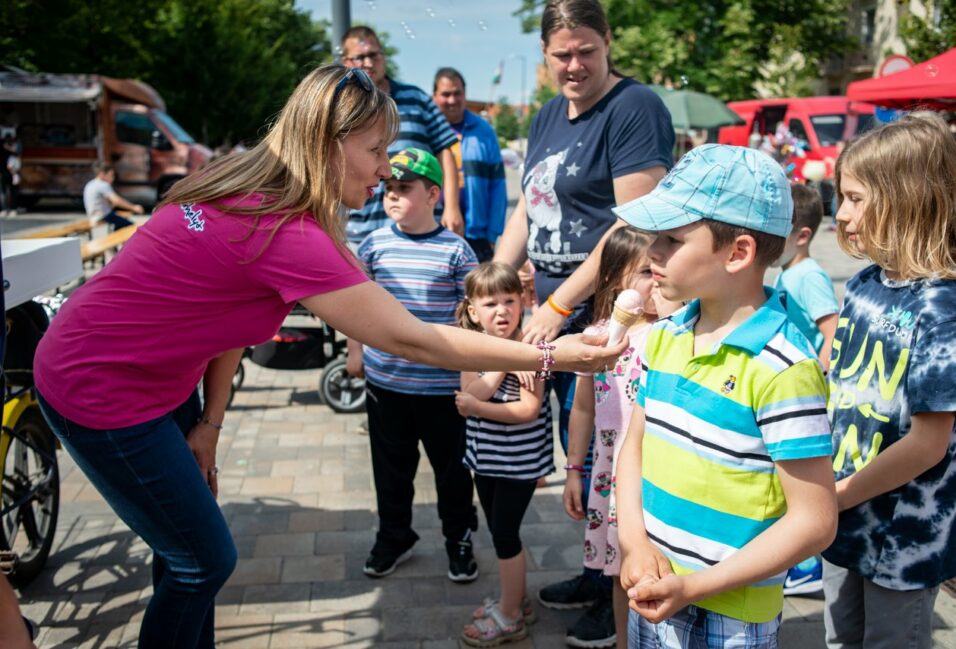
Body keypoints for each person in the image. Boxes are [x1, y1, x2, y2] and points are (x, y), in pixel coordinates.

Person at [32, 65, 627, 649]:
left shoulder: (248, 186)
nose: (387, 168)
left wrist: (210, 424)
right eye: (376, 149)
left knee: (184, 555)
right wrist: (556, 356)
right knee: (204, 560)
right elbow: (412, 338)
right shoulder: (282, 230)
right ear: (326, 142)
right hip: (97, 387)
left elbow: (229, 317)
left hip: (150, 380)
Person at [492, 1, 674, 645]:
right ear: (545, 55)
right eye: (561, 54)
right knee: (589, 453)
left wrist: (558, 304)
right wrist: (491, 275)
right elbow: (527, 209)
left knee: (621, 444)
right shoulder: (546, 115)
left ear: (607, 43)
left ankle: (627, 585)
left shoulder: (634, 107)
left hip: (609, 309)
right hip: (554, 309)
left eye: (585, 51)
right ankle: (599, 573)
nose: (574, 65)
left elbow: (636, 222)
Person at [613, 144, 838, 648]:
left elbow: (815, 520)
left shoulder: (784, 368)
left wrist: (695, 585)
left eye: (671, 240)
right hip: (656, 586)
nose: (652, 253)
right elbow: (635, 447)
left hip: (731, 614)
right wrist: (634, 542)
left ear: (738, 252)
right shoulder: (665, 335)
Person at [822, 112, 956, 649]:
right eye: (842, 196)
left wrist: (838, 496)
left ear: (908, 198)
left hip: (906, 536)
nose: (842, 213)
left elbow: (927, 444)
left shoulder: (941, 307)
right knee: (840, 638)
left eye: (856, 198)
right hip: (843, 516)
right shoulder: (863, 284)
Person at [346, 147, 480, 582]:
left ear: (433, 195)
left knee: (453, 473)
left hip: (442, 391)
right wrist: (355, 351)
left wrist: (471, 375)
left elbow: (471, 316)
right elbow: (355, 307)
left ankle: (458, 539)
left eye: (405, 189)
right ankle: (393, 536)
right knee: (390, 471)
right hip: (387, 386)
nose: (393, 196)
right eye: (389, 188)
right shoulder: (373, 245)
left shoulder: (457, 252)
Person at [562, 227, 665, 649]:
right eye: (644, 272)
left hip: (656, 473)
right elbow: (582, 409)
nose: (655, 280)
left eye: (659, 269)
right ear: (614, 282)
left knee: (658, 569)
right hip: (610, 473)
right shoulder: (597, 339)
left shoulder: (672, 333)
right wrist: (572, 471)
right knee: (624, 574)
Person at [454, 262, 552, 647]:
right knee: (498, 531)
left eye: (509, 300)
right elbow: (468, 395)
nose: (501, 311)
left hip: (519, 464)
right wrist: (503, 361)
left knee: (505, 534)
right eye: (490, 303)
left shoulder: (535, 350)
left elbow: (526, 410)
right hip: (484, 460)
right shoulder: (469, 344)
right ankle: (516, 599)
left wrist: (479, 403)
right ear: (473, 310)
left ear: (524, 300)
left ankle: (511, 615)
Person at [341, 25, 464, 245]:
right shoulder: (341, 108)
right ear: (346, 62)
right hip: (361, 231)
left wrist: (452, 207)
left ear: (383, 56)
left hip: (419, 230)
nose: (368, 63)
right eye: (360, 57)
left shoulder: (416, 99)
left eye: (374, 55)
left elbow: (446, 151)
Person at [432, 67, 507, 262]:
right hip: (435, 230)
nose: (452, 100)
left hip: (478, 235)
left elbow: (498, 187)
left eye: (457, 93)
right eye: (445, 94)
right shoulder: (427, 131)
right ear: (434, 96)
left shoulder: (484, 131)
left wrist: (492, 234)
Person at [774, 183, 840, 372]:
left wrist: (820, 378)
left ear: (802, 236)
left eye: (778, 235)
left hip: (808, 381)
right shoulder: (786, 274)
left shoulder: (810, 276)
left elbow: (833, 333)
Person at [82, 162, 143, 230]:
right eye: (111, 175)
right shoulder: (102, 185)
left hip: (94, 216)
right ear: (102, 174)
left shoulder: (90, 184)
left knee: (121, 223)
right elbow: (117, 201)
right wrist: (134, 207)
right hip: (103, 216)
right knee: (132, 227)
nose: (113, 178)